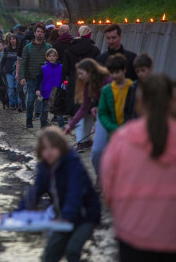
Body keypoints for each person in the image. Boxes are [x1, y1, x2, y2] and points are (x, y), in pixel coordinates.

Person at [101, 74, 176, 261]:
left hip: (131, 232)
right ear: (173, 103)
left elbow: (108, 190)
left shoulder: (121, 139)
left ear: (139, 103)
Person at [15, 127, 100, 262]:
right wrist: (19, 212)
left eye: (53, 148)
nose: (49, 152)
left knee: (72, 251)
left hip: (86, 216)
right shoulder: (44, 168)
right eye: (45, 148)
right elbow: (35, 192)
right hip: (63, 216)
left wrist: (65, 217)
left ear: (61, 147)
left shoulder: (73, 165)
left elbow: (74, 194)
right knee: (49, 254)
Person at [93, 54, 135, 175]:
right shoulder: (106, 90)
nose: (115, 76)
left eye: (117, 72)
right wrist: (112, 127)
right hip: (112, 133)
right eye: (112, 73)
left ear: (124, 70)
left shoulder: (133, 87)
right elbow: (103, 113)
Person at [64, 59, 111, 153]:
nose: (79, 77)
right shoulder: (88, 85)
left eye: (81, 73)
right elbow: (84, 108)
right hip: (103, 115)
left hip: (115, 115)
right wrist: (71, 125)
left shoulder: (107, 80)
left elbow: (113, 102)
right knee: (97, 152)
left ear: (90, 71)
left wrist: (100, 108)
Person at [62, 26, 100, 116]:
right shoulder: (95, 50)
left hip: (73, 82)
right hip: (89, 83)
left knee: (75, 114)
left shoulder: (69, 50)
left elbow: (65, 69)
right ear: (90, 35)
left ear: (78, 34)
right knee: (88, 113)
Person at [19, 23, 50, 128]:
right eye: (38, 31)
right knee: (30, 100)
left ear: (44, 34)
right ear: (34, 33)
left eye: (41, 32)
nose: (39, 33)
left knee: (44, 100)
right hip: (32, 78)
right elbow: (23, 63)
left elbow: (53, 62)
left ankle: (43, 121)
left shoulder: (48, 47)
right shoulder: (27, 48)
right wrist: (22, 77)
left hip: (45, 78)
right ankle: (28, 120)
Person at [36, 49, 65, 129]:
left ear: (56, 57)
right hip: (46, 92)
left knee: (59, 112)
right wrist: (37, 89)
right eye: (50, 56)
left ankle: (62, 127)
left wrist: (65, 85)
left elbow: (65, 78)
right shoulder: (43, 68)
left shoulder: (61, 67)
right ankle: (43, 127)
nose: (52, 58)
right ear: (47, 57)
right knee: (44, 111)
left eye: (53, 56)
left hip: (58, 92)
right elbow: (38, 80)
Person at [2, 34, 20, 110]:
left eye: (14, 39)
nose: (12, 41)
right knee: (11, 88)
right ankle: (12, 103)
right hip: (9, 72)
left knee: (18, 88)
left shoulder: (19, 49)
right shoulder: (7, 49)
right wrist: (1, 70)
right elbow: (3, 60)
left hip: (18, 72)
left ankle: (18, 104)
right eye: (11, 39)